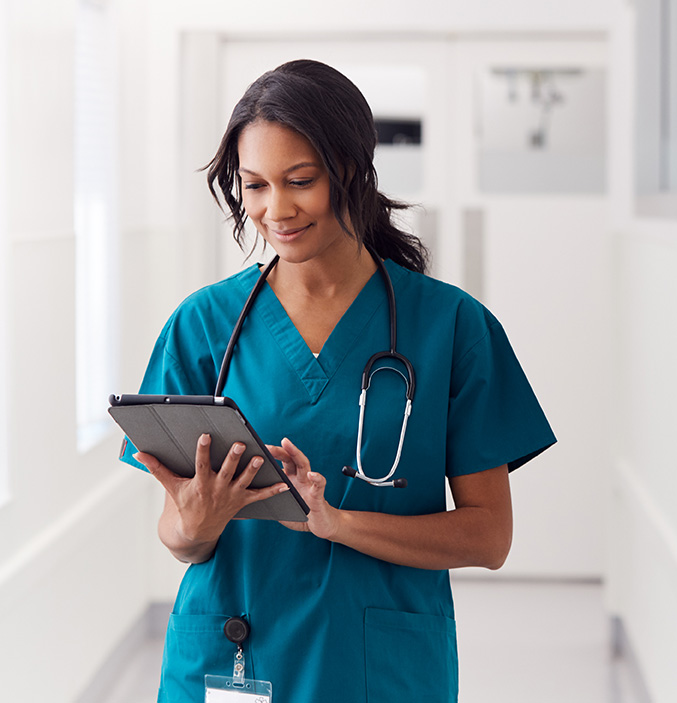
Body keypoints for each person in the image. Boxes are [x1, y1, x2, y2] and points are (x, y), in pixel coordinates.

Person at [121, 59, 555, 702]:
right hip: (235, 654)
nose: (276, 209)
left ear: (352, 170)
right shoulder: (206, 326)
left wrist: (337, 521)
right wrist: (195, 524)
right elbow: (180, 538)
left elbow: (489, 537)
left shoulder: (451, 327)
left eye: (300, 180)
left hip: (377, 666)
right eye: (255, 185)